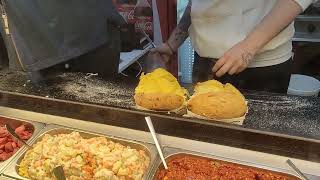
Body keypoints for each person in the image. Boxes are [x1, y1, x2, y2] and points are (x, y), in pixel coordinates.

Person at [151, 0, 316, 93]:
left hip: (261, 66)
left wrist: (248, 47)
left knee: (256, 144)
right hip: (205, 63)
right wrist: (172, 44)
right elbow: (197, 5)